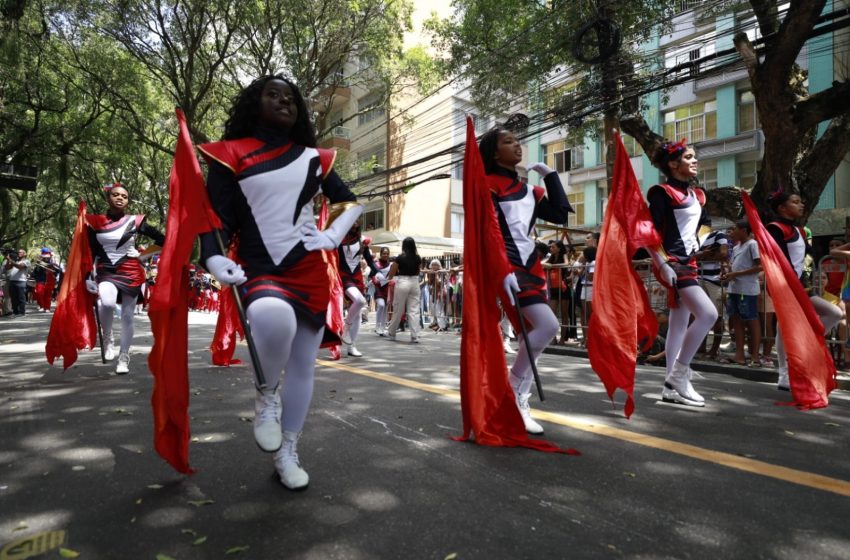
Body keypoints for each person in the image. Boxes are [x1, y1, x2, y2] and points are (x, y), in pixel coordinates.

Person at [199, 75, 362, 490]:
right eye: (273, 95)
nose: (284, 102)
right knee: (274, 321)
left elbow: (349, 203)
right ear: (255, 103)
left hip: (307, 268)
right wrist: (214, 256)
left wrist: (331, 235)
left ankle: (288, 450)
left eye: (291, 98)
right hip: (260, 267)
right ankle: (265, 395)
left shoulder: (315, 157)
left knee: (305, 364)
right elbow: (214, 218)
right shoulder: (228, 155)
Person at [478, 125, 572, 433]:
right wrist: (502, 269)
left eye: (518, 141)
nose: (517, 146)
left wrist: (551, 176)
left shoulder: (530, 190)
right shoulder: (487, 184)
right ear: (494, 153)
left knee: (529, 337)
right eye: (508, 142)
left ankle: (519, 400)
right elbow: (490, 230)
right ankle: (512, 388)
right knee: (549, 326)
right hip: (507, 267)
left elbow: (560, 215)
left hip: (532, 267)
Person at [647, 139, 717, 407]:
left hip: (690, 262)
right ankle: (679, 374)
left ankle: (670, 387)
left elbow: (705, 224)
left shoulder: (698, 194)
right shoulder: (661, 193)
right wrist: (663, 264)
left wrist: (703, 241)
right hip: (673, 263)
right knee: (708, 314)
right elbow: (649, 234)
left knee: (679, 324)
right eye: (689, 157)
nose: (695, 161)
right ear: (673, 164)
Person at [85, 183, 165, 374]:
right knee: (108, 303)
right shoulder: (94, 222)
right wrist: (88, 275)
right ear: (108, 198)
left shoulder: (134, 221)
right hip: (106, 270)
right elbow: (88, 252)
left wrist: (142, 255)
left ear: (128, 201)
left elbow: (163, 239)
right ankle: (108, 337)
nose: (120, 198)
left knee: (128, 316)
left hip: (131, 271)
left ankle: (124, 357)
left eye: (124, 196)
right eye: (116, 195)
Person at [766, 192, 843, 390]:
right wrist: (790, 282)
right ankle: (784, 373)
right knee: (783, 327)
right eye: (795, 202)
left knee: (834, 313)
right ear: (782, 208)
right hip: (784, 286)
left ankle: (804, 347)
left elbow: (809, 256)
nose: (801, 204)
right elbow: (778, 259)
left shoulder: (800, 231)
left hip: (802, 286)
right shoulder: (775, 229)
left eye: (801, 201)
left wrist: (807, 277)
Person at [721, 220, 762, 367]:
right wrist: (728, 274)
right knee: (736, 320)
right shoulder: (737, 247)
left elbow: (759, 266)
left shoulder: (753, 244)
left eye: (734, 229)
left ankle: (755, 356)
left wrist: (737, 273)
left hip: (748, 290)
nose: (731, 233)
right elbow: (734, 268)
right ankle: (740, 355)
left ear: (743, 230)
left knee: (751, 320)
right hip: (734, 289)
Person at [336, 221, 377, 357]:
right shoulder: (338, 237)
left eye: (357, 220)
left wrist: (379, 273)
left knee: (358, 313)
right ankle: (345, 327)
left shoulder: (363, 240)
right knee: (359, 301)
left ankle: (351, 346)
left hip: (357, 278)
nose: (355, 223)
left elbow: (369, 261)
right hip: (343, 276)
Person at [696, 227, 729, 360]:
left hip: (714, 281)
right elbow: (691, 257)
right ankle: (701, 346)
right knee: (700, 315)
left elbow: (723, 253)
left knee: (717, 316)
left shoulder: (718, 234)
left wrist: (702, 256)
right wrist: (706, 255)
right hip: (699, 279)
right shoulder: (694, 238)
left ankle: (714, 349)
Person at [385, 237, 422, 342]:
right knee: (414, 310)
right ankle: (415, 336)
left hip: (403, 281)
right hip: (414, 282)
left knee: (398, 309)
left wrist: (389, 278)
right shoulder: (418, 257)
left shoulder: (400, 257)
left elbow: (392, 273)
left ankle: (392, 333)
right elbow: (418, 272)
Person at [543, 240, 574, 344]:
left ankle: (562, 338)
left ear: (559, 248)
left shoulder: (564, 255)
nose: (551, 249)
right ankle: (553, 337)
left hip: (563, 288)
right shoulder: (551, 257)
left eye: (553, 247)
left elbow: (566, 264)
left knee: (564, 313)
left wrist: (552, 266)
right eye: (550, 247)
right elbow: (541, 264)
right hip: (554, 288)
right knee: (552, 313)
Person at [371, 247, 392, 336]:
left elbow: (392, 276)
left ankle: (383, 328)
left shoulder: (391, 265)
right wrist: (374, 280)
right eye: (384, 253)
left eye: (387, 253)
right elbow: (371, 275)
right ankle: (377, 326)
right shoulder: (376, 264)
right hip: (377, 288)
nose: (385, 255)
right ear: (381, 254)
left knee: (385, 308)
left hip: (387, 288)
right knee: (381, 305)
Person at [32, 248, 60, 312]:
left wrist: (53, 267)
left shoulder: (53, 263)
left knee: (48, 295)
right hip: (41, 280)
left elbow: (58, 271)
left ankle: (47, 308)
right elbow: (34, 273)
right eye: (45, 257)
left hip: (50, 281)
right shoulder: (38, 264)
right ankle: (41, 306)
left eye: (48, 257)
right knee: (39, 293)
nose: (46, 258)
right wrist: (38, 267)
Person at [4, 249, 29, 316]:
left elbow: (20, 267)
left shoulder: (26, 261)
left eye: (20, 252)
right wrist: (7, 260)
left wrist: (10, 260)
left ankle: (21, 312)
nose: (18, 253)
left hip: (21, 281)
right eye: (18, 252)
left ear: (24, 254)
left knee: (21, 298)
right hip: (12, 281)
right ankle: (15, 312)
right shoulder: (16, 261)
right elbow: (7, 268)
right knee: (14, 298)